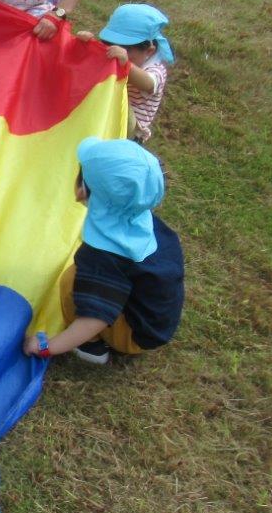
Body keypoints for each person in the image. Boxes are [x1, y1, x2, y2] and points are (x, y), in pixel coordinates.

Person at [24, 138, 184, 365]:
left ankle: (91, 348)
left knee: (71, 281)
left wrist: (46, 347)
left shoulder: (106, 257)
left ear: (81, 192)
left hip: (137, 335)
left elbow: (94, 319)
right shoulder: (145, 223)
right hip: (158, 322)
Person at [75, 4, 174, 143]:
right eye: (108, 45)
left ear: (149, 51)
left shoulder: (157, 69)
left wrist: (126, 64)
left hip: (128, 134)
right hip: (101, 120)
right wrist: (86, 45)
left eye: (126, 49)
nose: (115, 52)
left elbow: (148, 83)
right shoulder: (113, 54)